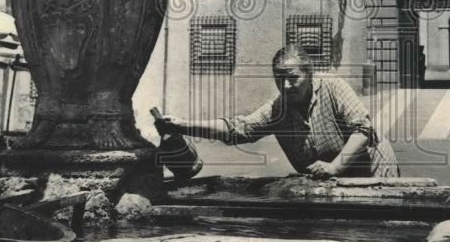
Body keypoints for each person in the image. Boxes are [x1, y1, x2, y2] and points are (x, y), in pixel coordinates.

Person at [155, 45, 399, 178]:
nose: (285, 85)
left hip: (374, 170)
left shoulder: (334, 87)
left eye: (292, 78)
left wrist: (335, 167)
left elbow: (363, 130)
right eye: (278, 79)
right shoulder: (277, 109)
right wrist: (182, 124)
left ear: (310, 74)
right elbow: (236, 130)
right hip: (331, 181)